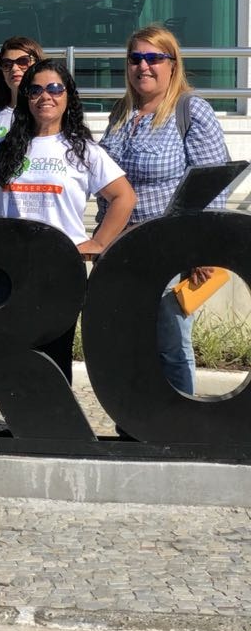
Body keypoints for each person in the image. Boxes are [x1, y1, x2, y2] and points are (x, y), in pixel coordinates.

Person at [0, 60, 136, 382]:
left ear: (67, 97)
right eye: (35, 90)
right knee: (10, 354)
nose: (44, 96)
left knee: (54, 356)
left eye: (54, 88)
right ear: (26, 98)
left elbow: (124, 197)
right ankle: (15, 427)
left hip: (61, 269)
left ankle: (54, 428)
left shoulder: (83, 150)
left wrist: (98, 243)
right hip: (8, 269)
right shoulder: (4, 149)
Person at [98, 25, 230, 396]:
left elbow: (212, 183)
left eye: (154, 58)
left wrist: (200, 248)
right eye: (136, 58)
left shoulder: (191, 110)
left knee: (170, 347)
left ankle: (179, 427)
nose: (144, 66)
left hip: (169, 250)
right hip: (121, 249)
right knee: (128, 343)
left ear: (172, 64)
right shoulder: (121, 112)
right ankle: (135, 425)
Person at [0, 36, 44, 160]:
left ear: (38, 65)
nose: (14, 68)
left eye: (23, 61)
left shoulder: (47, 115)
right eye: (7, 64)